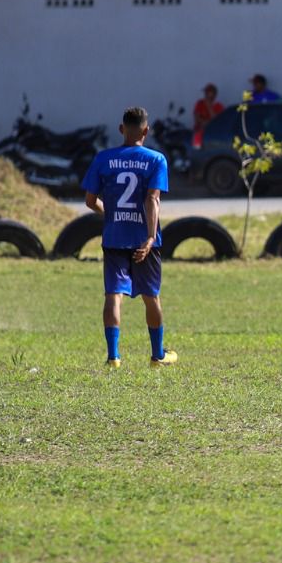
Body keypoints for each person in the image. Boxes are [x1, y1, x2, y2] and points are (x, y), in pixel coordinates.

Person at [80, 106, 176, 369]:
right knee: (151, 296)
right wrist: (148, 237)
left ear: (122, 129)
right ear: (146, 130)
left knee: (113, 294)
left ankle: (113, 357)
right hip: (144, 239)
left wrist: (109, 213)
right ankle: (157, 356)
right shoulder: (156, 160)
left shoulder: (103, 159)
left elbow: (90, 201)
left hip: (114, 237)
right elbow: (152, 198)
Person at [191, 83, 224, 148]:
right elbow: (196, 117)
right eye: (206, 92)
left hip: (212, 133)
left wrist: (209, 107)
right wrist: (203, 122)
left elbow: (217, 121)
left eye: (208, 92)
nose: (206, 94)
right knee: (196, 144)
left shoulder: (219, 106)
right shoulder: (200, 103)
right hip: (199, 131)